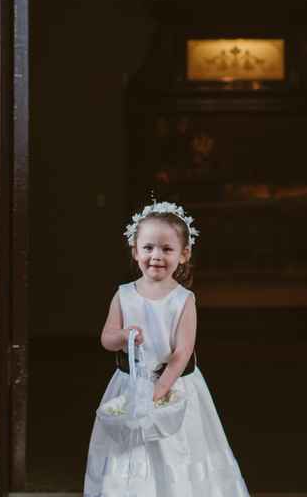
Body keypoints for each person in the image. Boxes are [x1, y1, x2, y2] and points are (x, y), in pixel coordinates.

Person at [85, 202, 247, 496]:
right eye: (148, 248)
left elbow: (182, 353)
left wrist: (159, 391)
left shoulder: (183, 300)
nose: (155, 256)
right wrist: (123, 335)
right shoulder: (124, 295)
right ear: (135, 251)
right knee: (132, 454)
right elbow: (106, 339)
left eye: (166, 249)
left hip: (174, 389)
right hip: (131, 387)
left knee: (176, 453)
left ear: (184, 255)